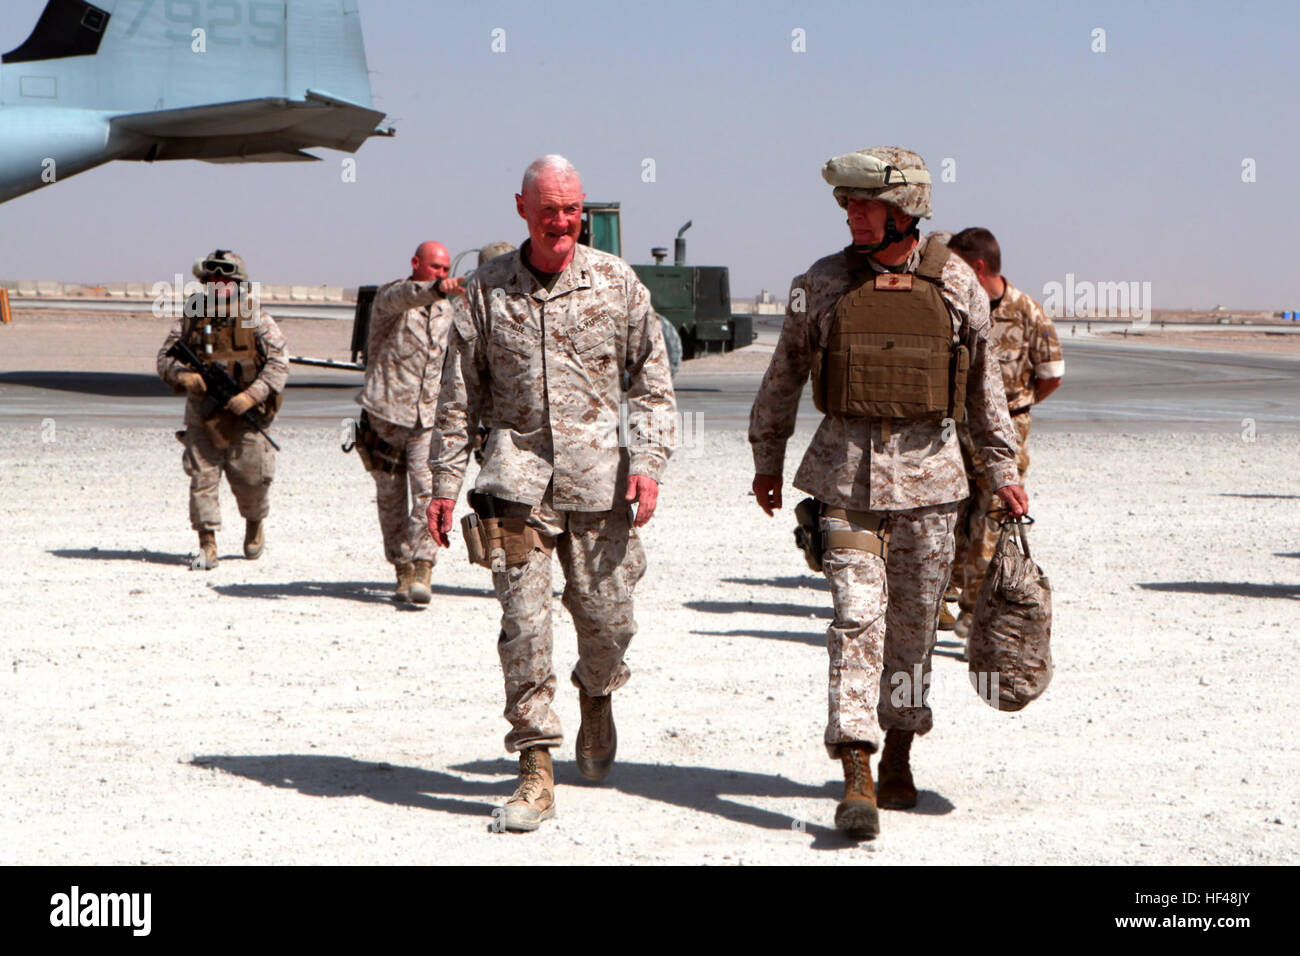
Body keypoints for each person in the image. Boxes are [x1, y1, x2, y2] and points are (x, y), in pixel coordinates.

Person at [748, 147, 1026, 839]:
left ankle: (900, 746)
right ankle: (857, 771)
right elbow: (783, 376)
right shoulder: (820, 283)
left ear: (906, 210)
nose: (854, 214)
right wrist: (767, 457)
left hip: (933, 487)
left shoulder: (958, 284)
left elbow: (985, 392)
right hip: (844, 478)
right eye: (847, 203)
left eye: (867, 203)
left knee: (912, 633)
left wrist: (1005, 474)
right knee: (855, 617)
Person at [428, 155, 676, 833]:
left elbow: (652, 383)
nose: (561, 221)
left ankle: (597, 691)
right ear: (522, 209)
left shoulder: (617, 284)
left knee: (608, 621)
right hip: (516, 483)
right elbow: (457, 399)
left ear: (583, 209)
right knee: (524, 627)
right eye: (548, 210)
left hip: (601, 483)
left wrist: (648, 463)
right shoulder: (482, 291)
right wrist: (444, 483)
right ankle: (535, 768)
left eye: (571, 209)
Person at [945, 227, 1063, 639]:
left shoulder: (1028, 313)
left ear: (978, 267)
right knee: (954, 513)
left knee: (994, 519)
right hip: (956, 432)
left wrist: (1015, 411)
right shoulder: (955, 309)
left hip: (1007, 435)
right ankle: (944, 593)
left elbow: (1050, 376)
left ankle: (974, 609)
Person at [157, 250, 288, 570]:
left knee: (252, 480)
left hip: (246, 415)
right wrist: (184, 377)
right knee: (202, 477)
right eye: (212, 280)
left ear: (238, 283)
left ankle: (255, 523)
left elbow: (279, 365)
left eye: (225, 280)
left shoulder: (256, 317)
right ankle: (207, 543)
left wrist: (251, 396)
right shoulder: (191, 317)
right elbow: (164, 359)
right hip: (204, 414)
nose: (218, 285)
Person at [358, 242, 463, 604]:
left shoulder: (448, 312)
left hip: (426, 416)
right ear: (416, 263)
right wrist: (433, 289)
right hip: (386, 413)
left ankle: (423, 566)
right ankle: (401, 567)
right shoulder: (392, 299)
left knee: (428, 490)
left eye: (446, 269)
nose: (442, 274)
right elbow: (406, 295)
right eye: (435, 267)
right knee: (390, 495)